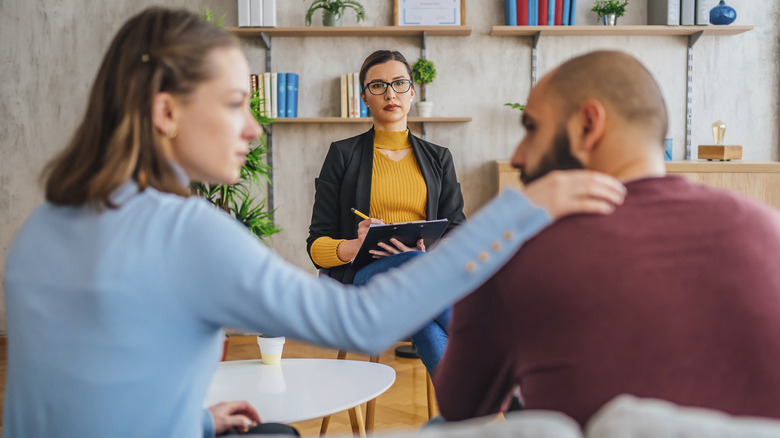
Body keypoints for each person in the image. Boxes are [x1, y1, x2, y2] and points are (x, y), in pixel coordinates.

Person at [1, 8, 627, 438]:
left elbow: (71, 406)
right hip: (366, 275)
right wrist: (526, 207)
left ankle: (468, 403)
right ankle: (479, 405)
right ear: (166, 112)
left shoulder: (45, 227)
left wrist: (197, 421)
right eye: (233, 105)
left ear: (412, 93)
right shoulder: (183, 230)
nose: (252, 128)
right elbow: (361, 321)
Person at [434, 50, 780, 426]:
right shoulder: (769, 228)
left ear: (587, 126)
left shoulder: (520, 250)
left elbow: (461, 407)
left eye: (531, 128)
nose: (518, 156)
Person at [306, 50, 465, 374]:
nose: (390, 93)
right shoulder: (343, 155)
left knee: (418, 305)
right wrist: (356, 245)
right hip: (364, 281)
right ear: (364, 96)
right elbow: (316, 245)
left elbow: (458, 230)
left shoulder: (439, 158)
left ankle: (464, 413)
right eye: (377, 86)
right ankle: (498, 369)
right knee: (417, 268)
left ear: (412, 92)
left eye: (399, 83)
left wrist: (431, 250)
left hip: (419, 283)